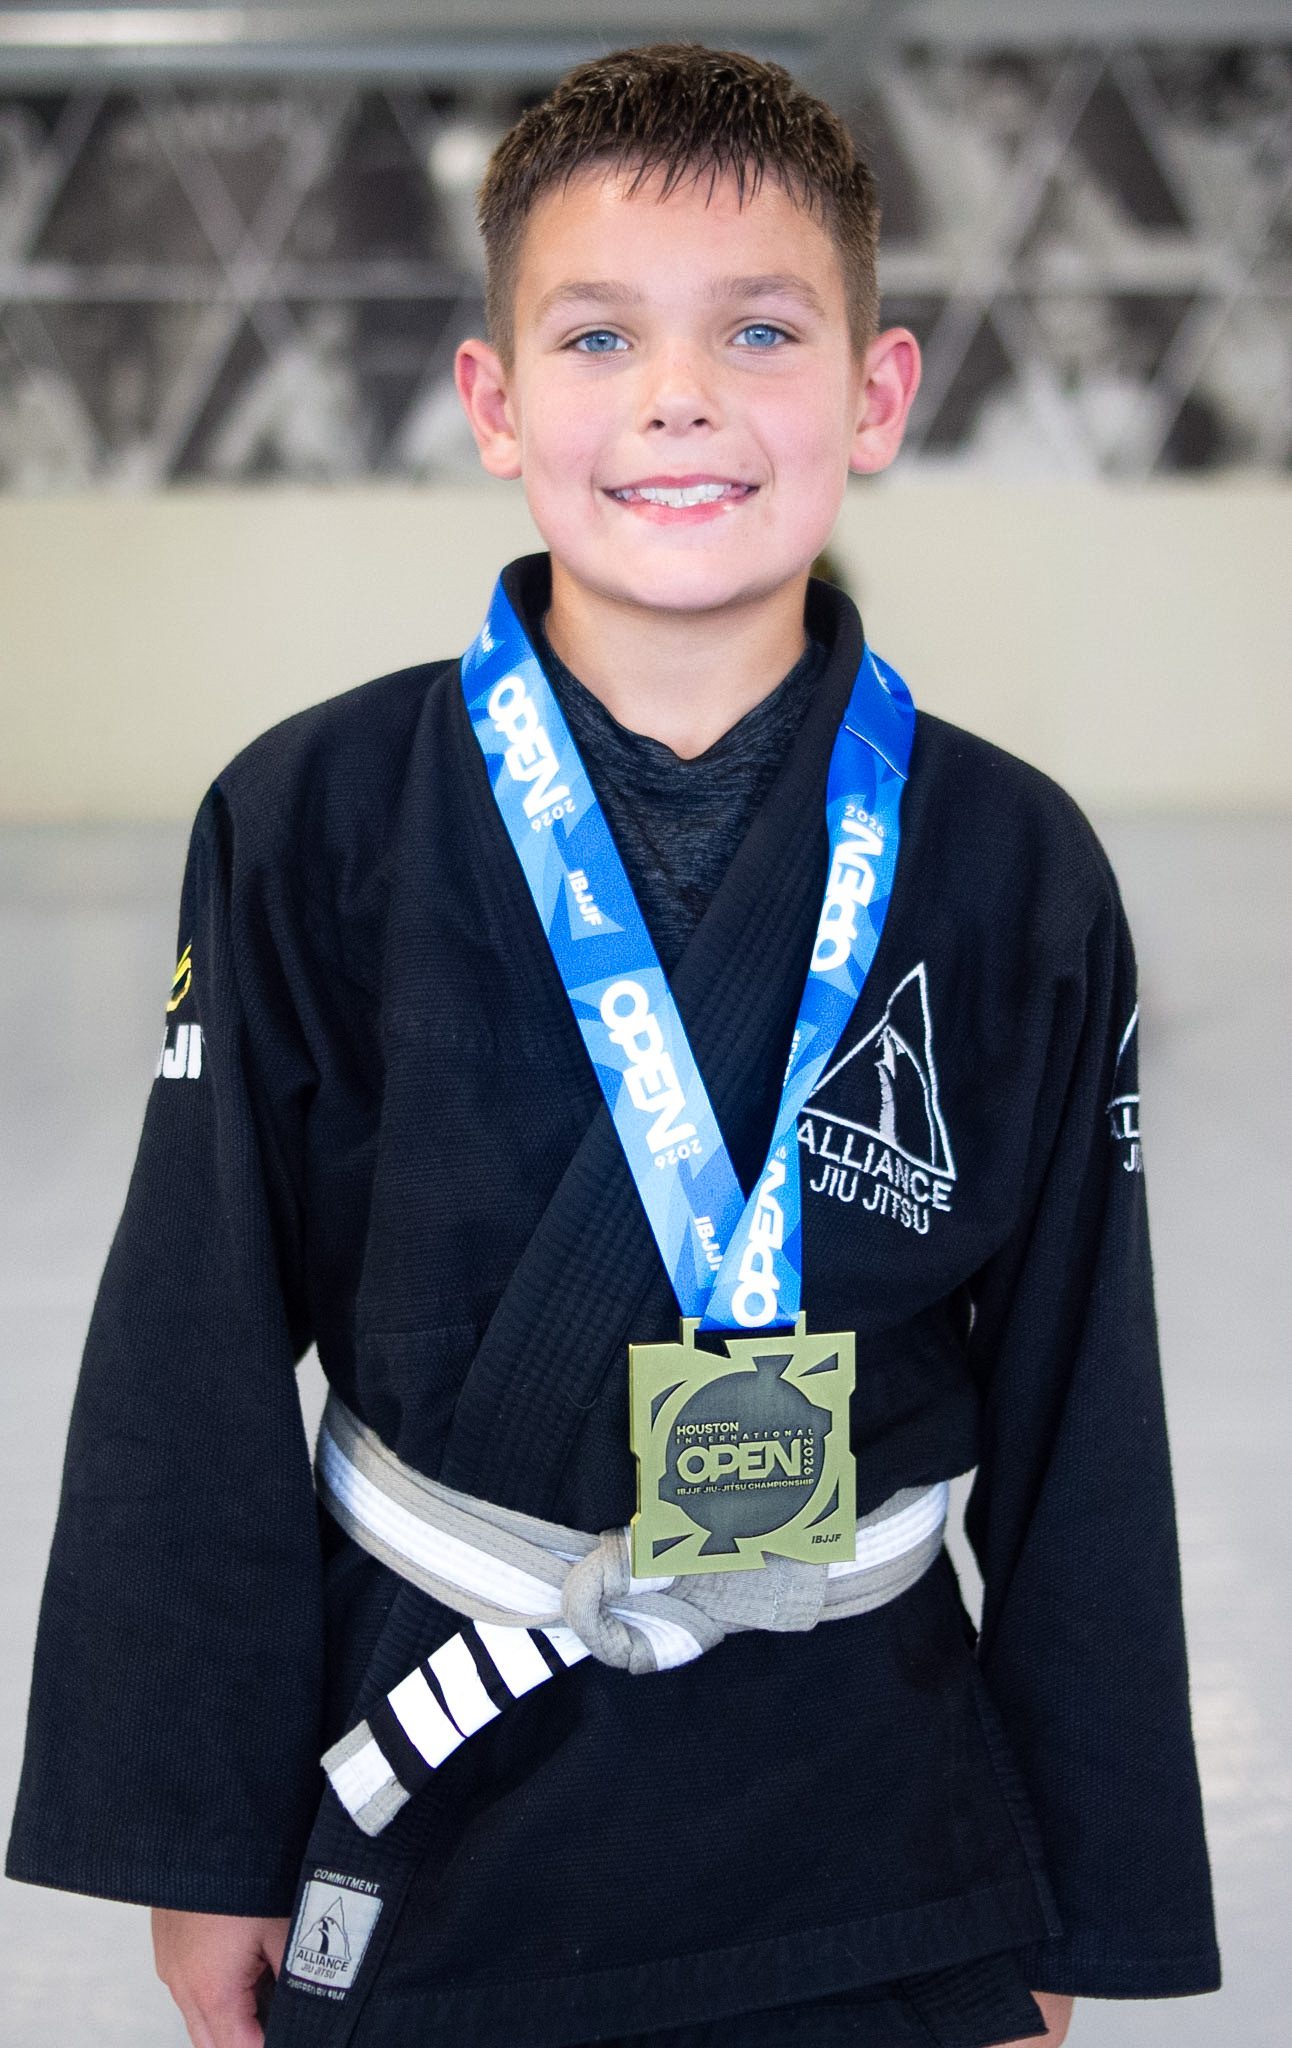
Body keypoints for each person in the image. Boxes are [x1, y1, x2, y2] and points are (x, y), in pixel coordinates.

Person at [7, 43, 1219, 2048]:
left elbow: (1091, 1396)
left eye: (760, 327)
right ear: (494, 402)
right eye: (595, 335)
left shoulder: (1008, 861)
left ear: (875, 393)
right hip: (435, 1787)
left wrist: (1070, 1874)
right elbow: (188, 1350)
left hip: (872, 1823)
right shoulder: (308, 820)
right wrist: (199, 1837)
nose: (677, 397)